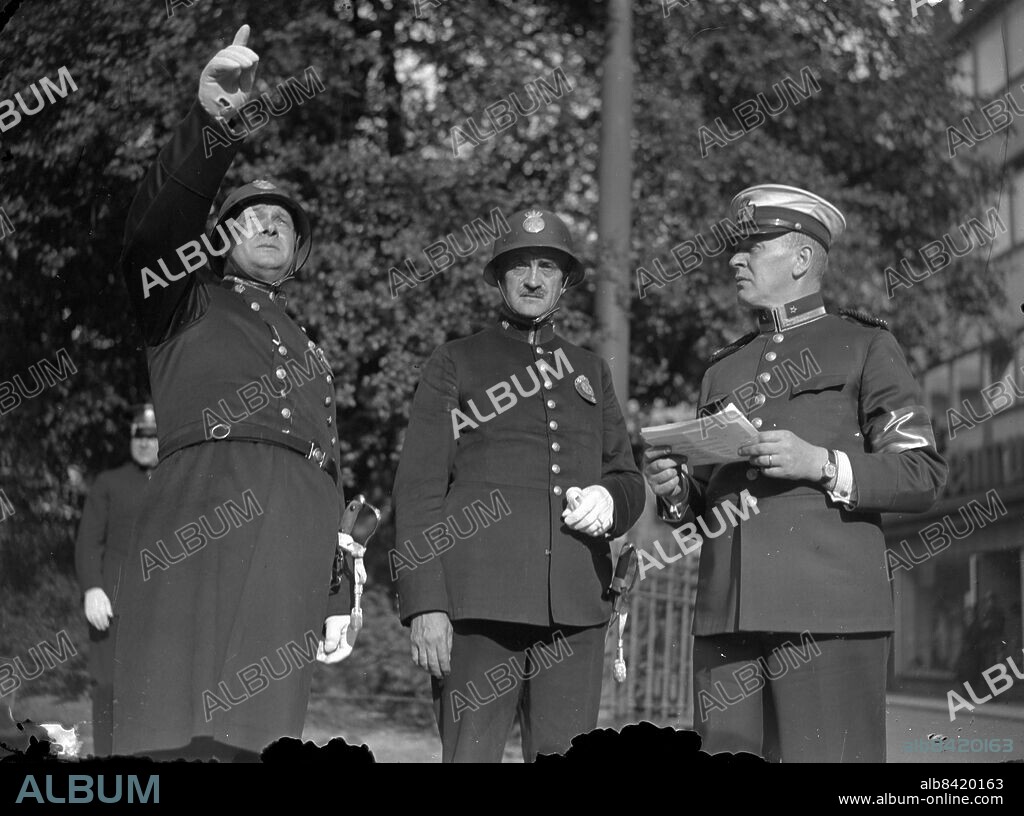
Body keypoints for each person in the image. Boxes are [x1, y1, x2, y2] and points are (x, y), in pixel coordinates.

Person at [114, 25, 356, 760]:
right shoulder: (183, 303)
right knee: (174, 721)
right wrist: (213, 126)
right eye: (251, 217)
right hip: (206, 507)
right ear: (215, 240)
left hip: (295, 536)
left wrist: (338, 587)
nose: (270, 226)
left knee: (261, 732)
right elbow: (153, 233)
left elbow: (332, 473)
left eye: (283, 222)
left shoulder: (311, 351)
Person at [643, 184, 947, 762]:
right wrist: (677, 494)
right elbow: (707, 504)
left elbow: (921, 472)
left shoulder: (865, 346)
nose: (735, 259)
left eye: (753, 247)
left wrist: (823, 464)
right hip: (727, 618)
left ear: (802, 259)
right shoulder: (722, 368)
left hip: (827, 617)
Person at [392, 208, 646, 762]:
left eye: (548, 268)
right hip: (479, 606)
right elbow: (418, 490)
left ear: (564, 282)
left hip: (576, 611)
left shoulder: (589, 370)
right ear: (500, 278)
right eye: (520, 267)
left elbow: (628, 476)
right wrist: (425, 604)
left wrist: (611, 501)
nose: (534, 279)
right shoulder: (456, 362)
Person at [73, 404, 158, 756]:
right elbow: (88, 541)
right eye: (139, 434)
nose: (144, 442)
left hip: (165, 613)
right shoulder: (109, 484)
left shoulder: (180, 482)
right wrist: (92, 587)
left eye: (152, 435)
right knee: (108, 694)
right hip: (113, 612)